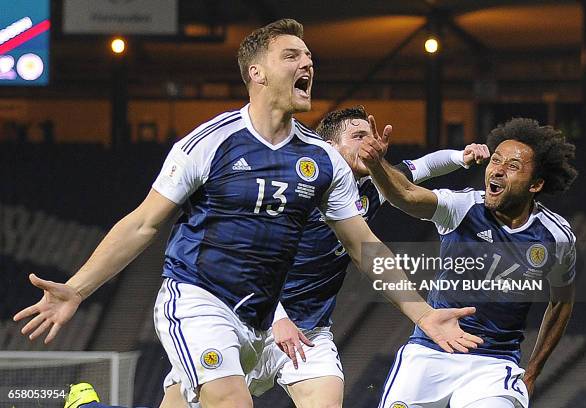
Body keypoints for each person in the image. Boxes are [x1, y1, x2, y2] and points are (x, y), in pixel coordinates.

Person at [15, 19, 481, 408]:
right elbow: (142, 223)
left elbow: (365, 247)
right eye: (292, 56)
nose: (307, 64)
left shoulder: (322, 161)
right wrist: (76, 288)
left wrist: (421, 314)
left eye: (309, 58)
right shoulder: (209, 143)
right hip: (200, 300)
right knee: (232, 402)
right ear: (256, 73)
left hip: (264, 320)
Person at [244, 106, 490, 408]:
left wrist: (461, 158)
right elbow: (252, 259)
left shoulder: (374, 186)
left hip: (310, 331)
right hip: (249, 318)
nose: (368, 142)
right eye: (357, 136)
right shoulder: (298, 189)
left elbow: (423, 167)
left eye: (370, 136)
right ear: (330, 147)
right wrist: (276, 317)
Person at [359, 117, 577, 408]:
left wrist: (532, 372)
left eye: (512, 166)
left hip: (494, 365)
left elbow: (561, 303)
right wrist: (376, 164)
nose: (497, 170)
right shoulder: (462, 207)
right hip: (430, 351)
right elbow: (407, 194)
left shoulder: (556, 237)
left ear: (536, 184)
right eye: (495, 160)